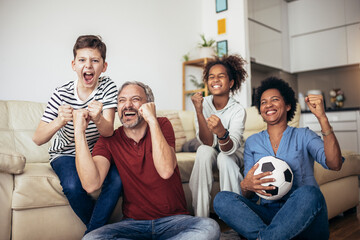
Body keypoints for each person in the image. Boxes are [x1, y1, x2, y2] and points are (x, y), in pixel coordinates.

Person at [74, 81, 220, 240]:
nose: (127, 105)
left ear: (149, 105)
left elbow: (166, 170)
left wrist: (152, 120)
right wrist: (79, 132)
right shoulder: (109, 140)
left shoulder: (162, 124)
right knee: (91, 238)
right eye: (122, 100)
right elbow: (90, 184)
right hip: (133, 225)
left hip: (173, 221)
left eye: (135, 99)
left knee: (209, 227)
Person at [214, 77, 343, 240]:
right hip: (270, 216)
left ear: (288, 105)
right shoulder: (253, 142)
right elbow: (249, 195)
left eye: (274, 100)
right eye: (263, 102)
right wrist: (246, 185)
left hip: (305, 217)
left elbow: (335, 164)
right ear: (260, 110)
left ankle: (263, 237)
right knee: (222, 199)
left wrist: (322, 118)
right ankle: (270, 237)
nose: (268, 105)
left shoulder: (304, 135)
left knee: (310, 193)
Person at [32, 35, 122, 234]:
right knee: (73, 186)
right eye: (82, 60)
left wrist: (98, 118)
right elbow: (38, 138)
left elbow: (107, 131)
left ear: (104, 66)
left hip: (98, 152)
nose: (88, 66)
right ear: (74, 65)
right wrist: (60, 121)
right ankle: (103, 233)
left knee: (117, 180)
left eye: (95, 60)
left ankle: (94, 235)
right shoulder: (60, 93)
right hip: (65, 153)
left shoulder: (108, 87)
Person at [189, 55, 247, 217]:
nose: (215, 79)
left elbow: (229, 149)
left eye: (221, 76)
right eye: (211, 77)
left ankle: (235, 219)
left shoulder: (238, 110)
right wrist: (199, 111)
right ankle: (201, 218)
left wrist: (222, 132)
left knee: (224, 158)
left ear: (231, 83)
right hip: (212, 148)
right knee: (202, 151)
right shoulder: (202, 104)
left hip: (233, 152)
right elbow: (207, 143)